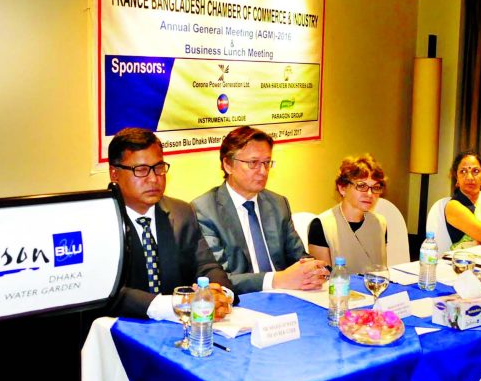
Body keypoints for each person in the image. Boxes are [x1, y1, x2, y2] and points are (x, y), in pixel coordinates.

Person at [106, 127, 235, 319]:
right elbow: (109, 292)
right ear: (114, 174)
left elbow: (207, 266)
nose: (154, 178)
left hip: (180, 327)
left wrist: (218, 294)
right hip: (121, 328)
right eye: (141, 170)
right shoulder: (99, 222)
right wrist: (177, 304)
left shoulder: (181, 212)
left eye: (159, 168)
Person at [191, 126, 328, 294]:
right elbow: (218, 279)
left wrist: (312, 269)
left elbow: (298, 257)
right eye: (253, 163)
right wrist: (276, 280)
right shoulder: (204, 211)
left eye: (266, 163)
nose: (263, 171)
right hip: (241, 301)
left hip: (286, 295)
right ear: (228, 165)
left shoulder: (278, 204)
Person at [307, 154, 388, 273]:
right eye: (361, 186)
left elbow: (381, 274)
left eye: (375, 187)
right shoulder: (321, 225)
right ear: (342, 188)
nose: (370, 194)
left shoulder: (380, 223)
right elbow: (323, 280)